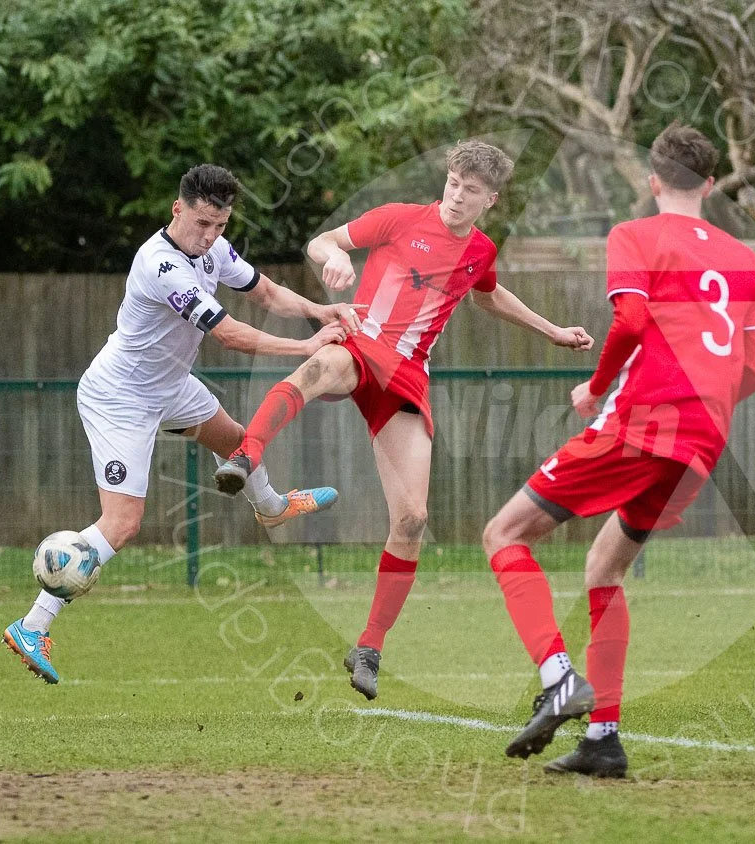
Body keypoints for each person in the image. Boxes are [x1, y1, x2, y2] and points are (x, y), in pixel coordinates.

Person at [214, 140, 593, 701]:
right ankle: (247, 456)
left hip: (408, 376)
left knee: (413, 519)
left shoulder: (480, 252)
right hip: (362, 346)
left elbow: (488, 297)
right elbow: (322, 241)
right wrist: (333, 256)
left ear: (490, 199)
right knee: (321, 363)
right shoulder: (398, 219)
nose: (457, 197)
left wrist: (554, 331)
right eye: (454, 183)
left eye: (471, 191)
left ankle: (368, 645)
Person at [480, 123, 755, 777]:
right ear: (710, 183)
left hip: (646, 425)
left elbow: (632, 320)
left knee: (503, 534)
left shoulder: (634, 235)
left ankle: (559, 678)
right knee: (605, 569)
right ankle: (604, 740)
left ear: (653, 180)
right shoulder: (746, 260)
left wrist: (597, 387)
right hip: (702, 444)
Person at [3, 164, 358, 683]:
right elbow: (230, 334)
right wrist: (305, 346)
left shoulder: (213, 249)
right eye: (202, 223)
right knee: (122, 526)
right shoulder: (161, 265)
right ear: (178, 210)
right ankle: (33, 624)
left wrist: (318, 311)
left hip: (169, 387)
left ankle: (273, 508)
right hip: (119, 399)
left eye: (220, 225)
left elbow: (264, 293)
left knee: (239, 443)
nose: (211, 235)